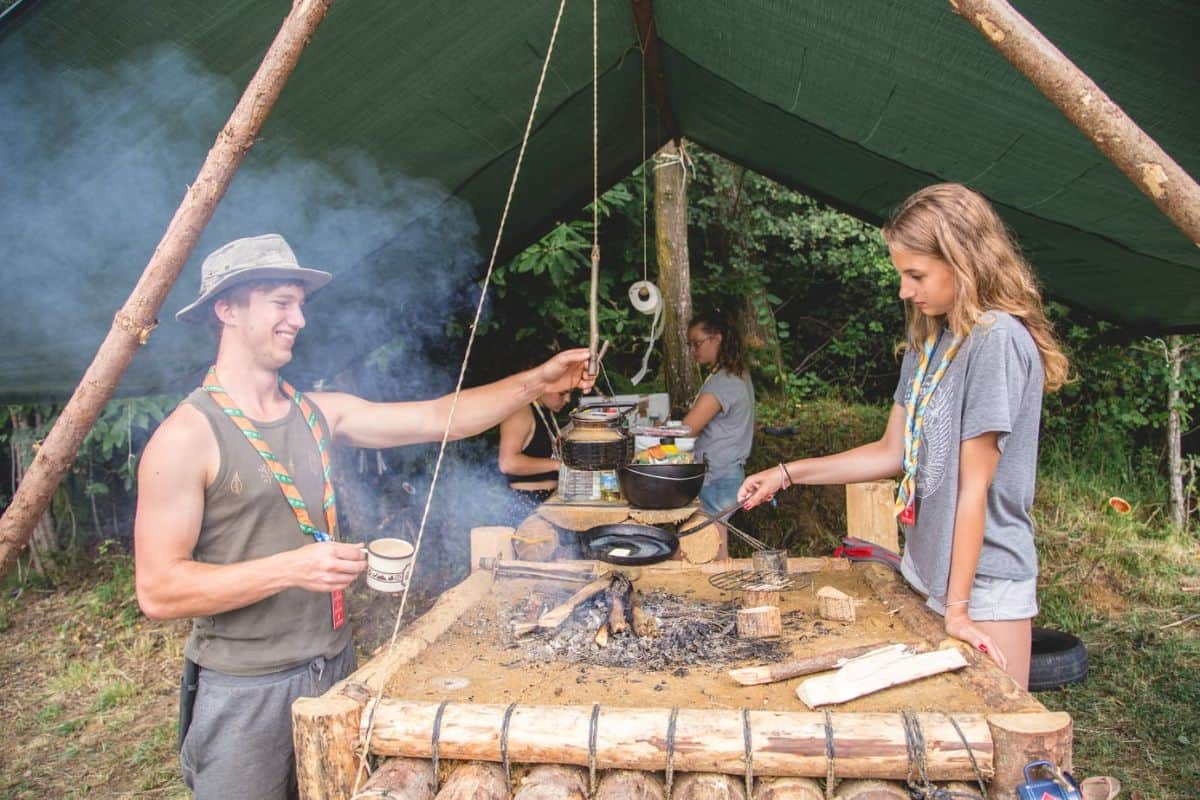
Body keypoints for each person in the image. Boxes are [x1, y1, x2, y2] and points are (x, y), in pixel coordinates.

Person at [133, 234, 594, 800]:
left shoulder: (316, 413)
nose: (298, 318)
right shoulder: (185, 436)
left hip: (336, 667)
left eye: (300, 304)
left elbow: (436, 417)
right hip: (246, 687)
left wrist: (536, 383)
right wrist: (290, 569)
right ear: (227, 309)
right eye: (281, 302)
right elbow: (159, 590)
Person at [738, 183, 1068, 688]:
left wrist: (958, 608)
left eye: (916, 275)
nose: (905, 291)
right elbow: (892, 452)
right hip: (927, 572)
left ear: (964, 261)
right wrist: (787, 473)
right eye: (902, 275)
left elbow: (973, 487)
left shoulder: (995, 339)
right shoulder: (928, 340)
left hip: (983, 585)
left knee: (993, 743)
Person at [682, 311, 755, 556]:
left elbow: (687, 430)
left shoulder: (723, 382)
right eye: (690, 344)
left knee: (702, 546)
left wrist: (654, 438)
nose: (693, 350)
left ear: (718, 339)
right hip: (727, 473)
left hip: (718, 477)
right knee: (713, 545)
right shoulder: (735, 374)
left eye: (697, 343)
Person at [497, 385, 572, 524]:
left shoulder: (546, 412)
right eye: (562, 393)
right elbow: (507, 463)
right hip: (525, 503)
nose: (568, 399)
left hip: (548, 499)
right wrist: (557, 465)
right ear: (543, 387)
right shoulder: (520, 412)